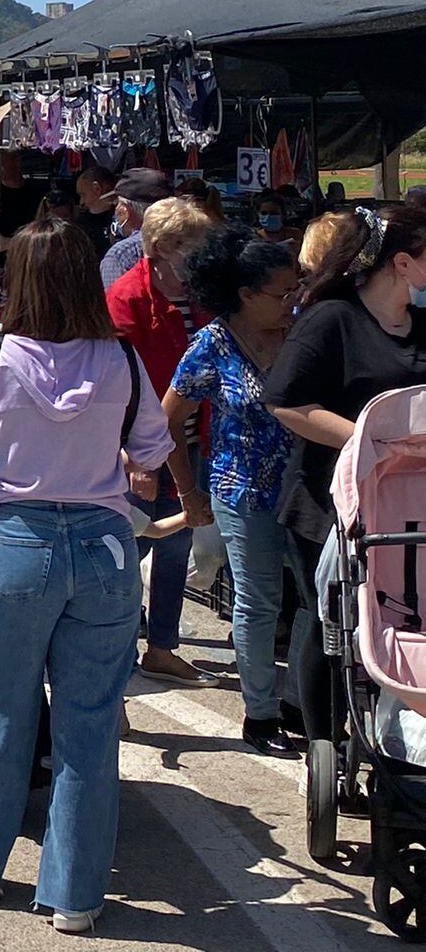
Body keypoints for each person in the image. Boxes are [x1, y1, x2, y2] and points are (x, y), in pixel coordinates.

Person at [0, 219, 175, 933]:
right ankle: (75, 896)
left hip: (19, 543)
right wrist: (111, 459)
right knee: (89, 725)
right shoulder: (121, 358)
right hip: (103, 546)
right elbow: (152, 448)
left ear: (18, 279)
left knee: (0, 707)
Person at [268, 204, 426, 746]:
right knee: (329, 617)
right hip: (329, 504)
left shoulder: (421, 324)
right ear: (403, 264)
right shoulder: (332, 319)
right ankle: (326, 744)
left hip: (409, 502)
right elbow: (286, 402)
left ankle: (395, 734)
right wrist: (367, 439)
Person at [166, 224, 303, 755]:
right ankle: (261, 713)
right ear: (245, 295)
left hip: (309, 491)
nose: (293, 300)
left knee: (320, 601)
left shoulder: (303, 333)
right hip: (244, 492)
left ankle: (305, 700)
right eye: (282, 293)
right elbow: (167, 421)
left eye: (297, 288)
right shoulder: (212, 344)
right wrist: (187, 491)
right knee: (258, 603)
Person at [106, 196, 218, 687]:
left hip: (192, 440)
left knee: (178, 545)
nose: (197, 254)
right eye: (187, 245)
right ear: (158, 246)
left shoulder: (200, 294)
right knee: (128, 552)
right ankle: (120, 656)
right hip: (144, 447)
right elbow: (116, 384)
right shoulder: (127, 298)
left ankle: (163, 647)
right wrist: (135, 459)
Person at [98, 168, 172, 290]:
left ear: (125, 210)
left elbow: (116, 306)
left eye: (117, 204)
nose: (115, 211)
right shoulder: (190, 241)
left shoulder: (120, 255)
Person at [0, 152, 44, 247]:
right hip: (0, 256)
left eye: (3, 162)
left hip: (31, 249)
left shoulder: (37, 193)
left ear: (17, 162)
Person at [75, 164, 118, 256]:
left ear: (97, 188)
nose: (81, 202)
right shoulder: (81, 223)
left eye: (83, 195)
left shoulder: (123, 218)